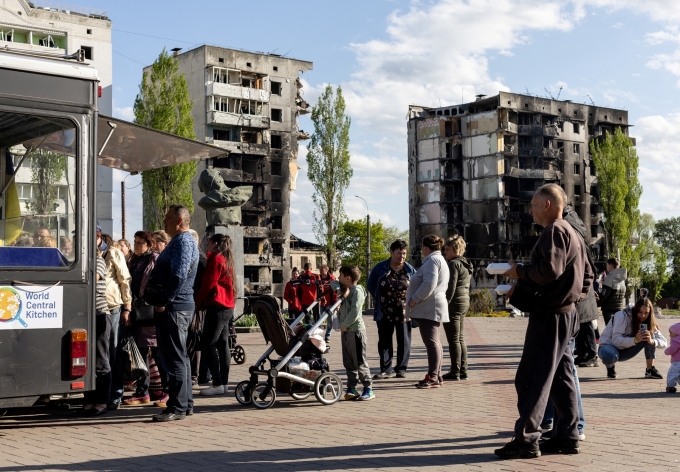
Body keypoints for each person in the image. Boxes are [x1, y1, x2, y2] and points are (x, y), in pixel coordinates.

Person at [495, 183, 591, 460]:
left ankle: (526, 440)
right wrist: (568, 296)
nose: (531, 211)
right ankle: (567, 435)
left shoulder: (556, 231)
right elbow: (586, 277)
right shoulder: (572, 232)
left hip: (551, 316)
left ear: (548, 205)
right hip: (565, 313)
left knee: (531, 378)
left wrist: (519, 272)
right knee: (561, 378)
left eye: (534, 205)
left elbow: (548, 270)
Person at [148, 205, 199, 422]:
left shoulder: (183, 241)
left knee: (174, 358)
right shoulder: (183, 241)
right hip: (178, 305)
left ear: (179, 221)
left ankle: (177, 407)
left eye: (168, 218)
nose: (164, 222)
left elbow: (178, 275)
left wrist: (162, 301)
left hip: (175, 307)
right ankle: (184, 404)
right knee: (180, 357)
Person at [123, 230, 169, 408]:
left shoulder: (155, 259)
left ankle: (167, 391)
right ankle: (143, 392)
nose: (136, 246)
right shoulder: (133, 260)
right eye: (134, 242)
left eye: (140, 243)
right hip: (138, 312)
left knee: (158, 354)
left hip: (152, 312)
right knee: (140, 354)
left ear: (149, 245)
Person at [367, 239, 416, 380]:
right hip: (384, 311)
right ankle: (386, 369)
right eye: (399, 253)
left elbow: (417, 285)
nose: (402, 256)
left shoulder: (409, 269)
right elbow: (371, 285)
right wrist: (381, 299)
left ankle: (401, 369)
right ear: (391, 252)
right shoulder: (380, 268)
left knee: (404, 341)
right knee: (384, 341)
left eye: (404, 253)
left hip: (404, 312)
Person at [405, 234, 450, 389]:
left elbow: (429, 284)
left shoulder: (432, 261)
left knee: (431, 342)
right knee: (435, 342)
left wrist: (413, 299)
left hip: (429, 307)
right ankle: (436, 375)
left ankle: (432, 376)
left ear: (425, 247)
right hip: (432, 306)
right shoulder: (439, 259)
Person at [196, 233, 236, 396]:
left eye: (209, 242)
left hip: (217, 306)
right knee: (222, 344)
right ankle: (224, 382)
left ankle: (217, 383)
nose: (207, 245)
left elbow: (208, 284)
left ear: (215, 243)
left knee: (208, 344)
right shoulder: (226, 259)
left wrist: (197, 302)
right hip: (227, 307)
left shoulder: (216, 259)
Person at [74, 240, 111, 416]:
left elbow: (92, 278)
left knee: (101, 360)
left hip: (99, 314)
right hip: (85, 315)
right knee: (86, 362)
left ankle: (102, 403)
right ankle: (88, 402)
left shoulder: (98, 261)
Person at [562, 209, 600, 368]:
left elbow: (589, 263)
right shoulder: (577, 234)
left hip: (583, 287)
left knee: (586, 325)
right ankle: (584, 352)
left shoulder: (572, 235)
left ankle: (591, 354)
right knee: (583, 323)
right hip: (584, 287)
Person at [330, 265, 374, 401]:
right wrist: (339, 288)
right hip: (346, 333)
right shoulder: (345, 289)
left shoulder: (357, 291)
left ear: (348, 278)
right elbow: (332, 282)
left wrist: (344, 325)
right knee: (348, 362)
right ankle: (352, 388)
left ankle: (368, 388)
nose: (338, 277)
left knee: (359, 361)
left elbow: (355, 311)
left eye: (341, 275)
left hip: (355, 332)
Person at [98, 232, 132, 410]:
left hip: (112, 307)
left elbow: (124, 279)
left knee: (113, 351)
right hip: (94, 307)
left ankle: (115, 394)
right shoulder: (87, 251)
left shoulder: (113, 252)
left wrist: (127, 306)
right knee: (101, 353)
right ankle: (101, 393)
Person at [598, 298, 666, 380]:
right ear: (635, 310)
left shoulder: (648, 321)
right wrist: (635, 340)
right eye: (640, 312)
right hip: (609, 346)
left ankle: (650, 370)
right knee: (609, 355)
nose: (643, 316)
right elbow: (615, 340)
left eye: (646, 313)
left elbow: (664, 342)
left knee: (648, 336)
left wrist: (651, 341)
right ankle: (610, 366)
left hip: (626, 350)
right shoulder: (622, 316)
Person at [442, 235, 472, 381]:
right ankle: (463, 370)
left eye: (447, 249)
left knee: (453, 339)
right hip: (464, 301)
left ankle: (455, 371)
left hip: (454, 303)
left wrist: (444, 304)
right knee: (460, 338)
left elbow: (451, 287)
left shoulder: (453, 264)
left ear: (455, 250)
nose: (445, 252)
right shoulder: (466, 263)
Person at [187, 229, 207, 386]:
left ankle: (195, 374)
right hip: (194, 303)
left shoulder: (200, 260)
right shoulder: (196, 258)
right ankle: (197, 374)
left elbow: (201, 285)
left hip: (197, 305)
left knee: (195, 338)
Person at [597, 258, 627, 327]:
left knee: (609, 329)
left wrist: (598, 299)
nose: (606, 267)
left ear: (611, 266)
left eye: (607, 265)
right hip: (619, 308)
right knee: (617, 329)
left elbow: (605, 294)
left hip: (608, 309)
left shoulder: (609, 278)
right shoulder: (622, 280)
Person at [318, 264, 337, 344]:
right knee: (317, 319)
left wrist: (336, 303)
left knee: (330, 321)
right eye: (320, 269)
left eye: (322, 269)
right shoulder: (318, 278)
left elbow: (335, 291)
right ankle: (318, 336)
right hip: (320, 303)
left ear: (326, 270)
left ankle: (327, 336)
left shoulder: (332, 278)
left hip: (330, 303)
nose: (320, 270)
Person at [665, 323, 680, 393]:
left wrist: (666, 351)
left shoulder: (676, 340)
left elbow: (673, 349)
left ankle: (670, 386)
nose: (670, 335)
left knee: (672, 373)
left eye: (671, 333)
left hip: (677, 362)